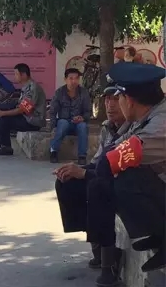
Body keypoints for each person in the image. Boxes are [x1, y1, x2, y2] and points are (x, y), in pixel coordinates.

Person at [54, 86, 129, 281]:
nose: (110, 105)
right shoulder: (107, 127)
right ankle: (96, 246)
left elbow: (117, 172)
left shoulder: (133, 129)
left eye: (116, 99)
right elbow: (97, 163)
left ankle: (109, 264)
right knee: (66, 181)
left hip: (127, 184)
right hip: (106, 176)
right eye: (107, 99)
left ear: (128, 101)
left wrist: (84, 173)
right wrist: (75, 170)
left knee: (97, 188)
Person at [96, 62, 166, 274]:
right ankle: (158, 234)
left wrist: (102, 165)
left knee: (127, 177)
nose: (116, 103)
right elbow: (116, 146)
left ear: (130, 100)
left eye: (118, 98)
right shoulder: (146, 116)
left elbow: (116, 157)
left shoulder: (161, 122)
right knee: (108, 178)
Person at [0, 63, 47, 156]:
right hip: (27, 117)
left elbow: (23, 109)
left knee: (4, 120)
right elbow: (21, 104)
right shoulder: (27, 86)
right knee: (2, 108)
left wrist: (3, 113)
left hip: (33, 122)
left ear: (23, 75)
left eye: (16, 74)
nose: (15, 76)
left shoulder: (32, 88)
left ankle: (6, 147)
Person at [49, 68, 92, 164]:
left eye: (76, 78)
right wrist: (52, 127)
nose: (74, 81)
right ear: (65, 79)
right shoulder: (59, 92)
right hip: (64, 122)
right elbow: (52, 111)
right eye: (71, 78)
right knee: (62, 123)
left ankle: (82, 156)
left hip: (78, 123)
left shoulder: (84, 92)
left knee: (83, 126)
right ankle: (53, 151)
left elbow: (88, 111)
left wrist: (82, 118)